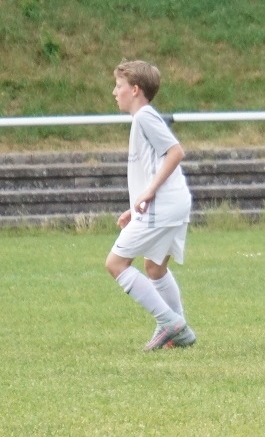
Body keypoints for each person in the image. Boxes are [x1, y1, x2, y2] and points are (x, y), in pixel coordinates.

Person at [106, 60, 196, 351]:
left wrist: (149, 193)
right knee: (155, 268)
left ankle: (169, 322)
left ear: (135, 89)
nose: (114, 92)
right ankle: (179, 332)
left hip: (164, 204)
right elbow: (154, 165)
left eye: (118, 86)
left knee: (116, 264)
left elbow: (175, 152)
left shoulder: (144, 117)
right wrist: (136, 207)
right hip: (173, 202)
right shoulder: (143, 119)